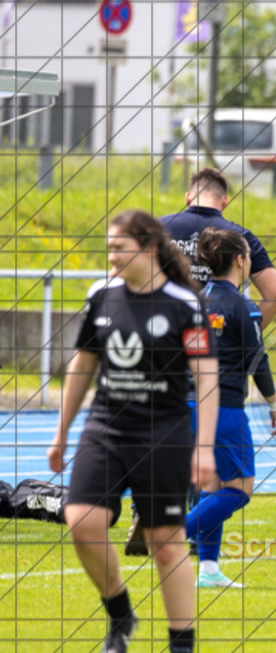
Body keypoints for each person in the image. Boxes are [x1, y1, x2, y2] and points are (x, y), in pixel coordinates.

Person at [48, 210, 217, 653]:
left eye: (119, 248)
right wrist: (62, 432)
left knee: (165, 544)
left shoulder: (185, 303)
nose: (112, 256)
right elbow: (83, 364)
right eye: (109, 248)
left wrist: (204, 448)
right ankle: (120, 615)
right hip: (106, 426)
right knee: (82, 521)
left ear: (148, 248)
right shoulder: (101, 296)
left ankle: (182, 644)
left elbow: (207, 377)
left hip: (163, 430)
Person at [185, 229, 276, 589]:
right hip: (224, 407)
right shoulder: (245, 307)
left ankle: (209, 570)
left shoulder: (194, 301)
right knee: (240, 488)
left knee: (213, 486)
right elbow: (257, 360)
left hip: (187, 402)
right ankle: (170, 532)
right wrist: (274, 404)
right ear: (241, 260)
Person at [160, 167, 276, 328]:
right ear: (225, 201)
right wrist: (246, 340)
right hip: (217, 339)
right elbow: (275, 295)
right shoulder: (241, 237)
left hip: (165, 335)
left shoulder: (157, 228)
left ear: (188, 198)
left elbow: (119, 279)